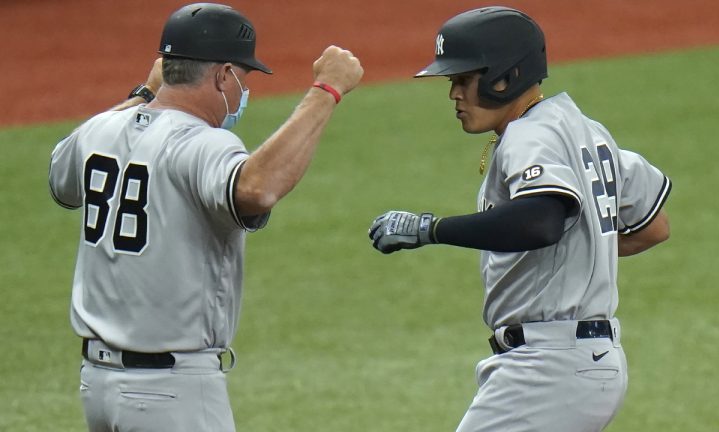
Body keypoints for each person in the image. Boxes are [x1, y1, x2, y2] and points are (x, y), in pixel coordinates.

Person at [48, 3, 363, 431]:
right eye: (243, 79)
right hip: (172, 393)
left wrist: (144, 93)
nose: (242, 93)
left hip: (97, 386)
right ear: (222, 75)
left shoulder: (99, 130)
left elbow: (61, 182)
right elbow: (257, 189)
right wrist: (325, 91)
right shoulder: (203, 143)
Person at [368, 7, 670, 432]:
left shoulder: (530, 135)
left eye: (462, 79)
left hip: (549, 369)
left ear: (504, 76)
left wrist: (429, 229)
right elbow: (653, 226)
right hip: (585, 363)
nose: (453, 94)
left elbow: (541, 220)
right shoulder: (587, 132)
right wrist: (579, 250)